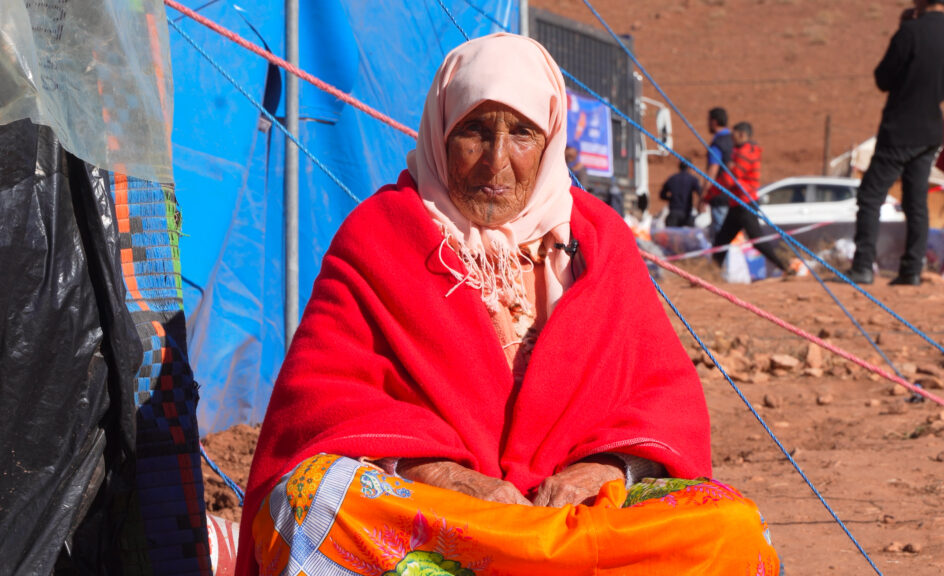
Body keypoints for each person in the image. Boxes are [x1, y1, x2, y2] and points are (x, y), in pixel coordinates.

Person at [235, 34, 779, 576]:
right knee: (309, 503)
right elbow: (324, 405)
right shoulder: (379, 235)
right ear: (441, 133)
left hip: (575, 517)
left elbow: (660, 398)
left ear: (550, 141)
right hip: (448, 524)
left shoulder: (598, 239)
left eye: (522, 134)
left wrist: (603, 469)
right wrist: (446, 477)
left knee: (728, 526)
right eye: (473, 130)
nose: (497, 162)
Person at [849, 0, 944, 286]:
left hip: (901, 129)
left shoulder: (911, 32)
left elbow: (883, 78)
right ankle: (911, 270)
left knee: (870, 196)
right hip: (931, 129)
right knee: (916, 201)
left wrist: (905, 28)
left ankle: (862, 267)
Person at [706, 122, 790, 272]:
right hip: (736, 204)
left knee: (756, 240)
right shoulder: (739, 151)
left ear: (741, 135)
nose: (732, 139)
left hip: (745, 203)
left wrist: (709, 195)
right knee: (721, 240)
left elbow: (731, 177)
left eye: (733, 135)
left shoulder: (747, 152)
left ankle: (786, 266)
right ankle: (711, 274)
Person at [698, 107, 733, 238]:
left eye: (708, 120)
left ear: (714, 122)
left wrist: (704, 196)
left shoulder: (718, 144)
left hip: (720, 197)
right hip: (734, 196)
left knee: (720, 237)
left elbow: (713, 170)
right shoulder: (733, 140)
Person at [659, 159, 700, 226]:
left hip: (674, 212)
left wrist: (672, 199)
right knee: (688, 235)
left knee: (671, 235)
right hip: (687, 214)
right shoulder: (692, 179)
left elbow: (662, 195)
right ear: (689, 167)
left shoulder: (672, 179)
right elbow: (700, 193)